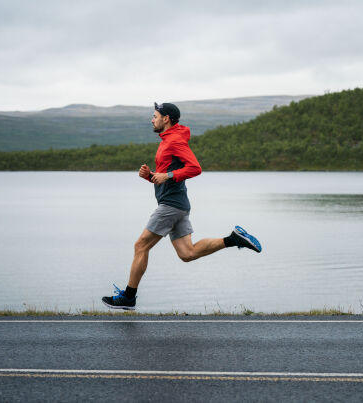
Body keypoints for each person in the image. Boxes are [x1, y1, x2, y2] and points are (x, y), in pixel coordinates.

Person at [102, 102, 262, 310]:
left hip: (170, 206)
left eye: (155, 116)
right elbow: (167, 176)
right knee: (188, 253)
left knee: (140, 246)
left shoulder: (175, 140)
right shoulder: (169, 140)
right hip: (178, 204)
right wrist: (150, 177)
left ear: (166, 118)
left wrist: (166, 175)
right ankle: (233, 239)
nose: (152, 120)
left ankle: (128, 298)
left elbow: (195, 168)